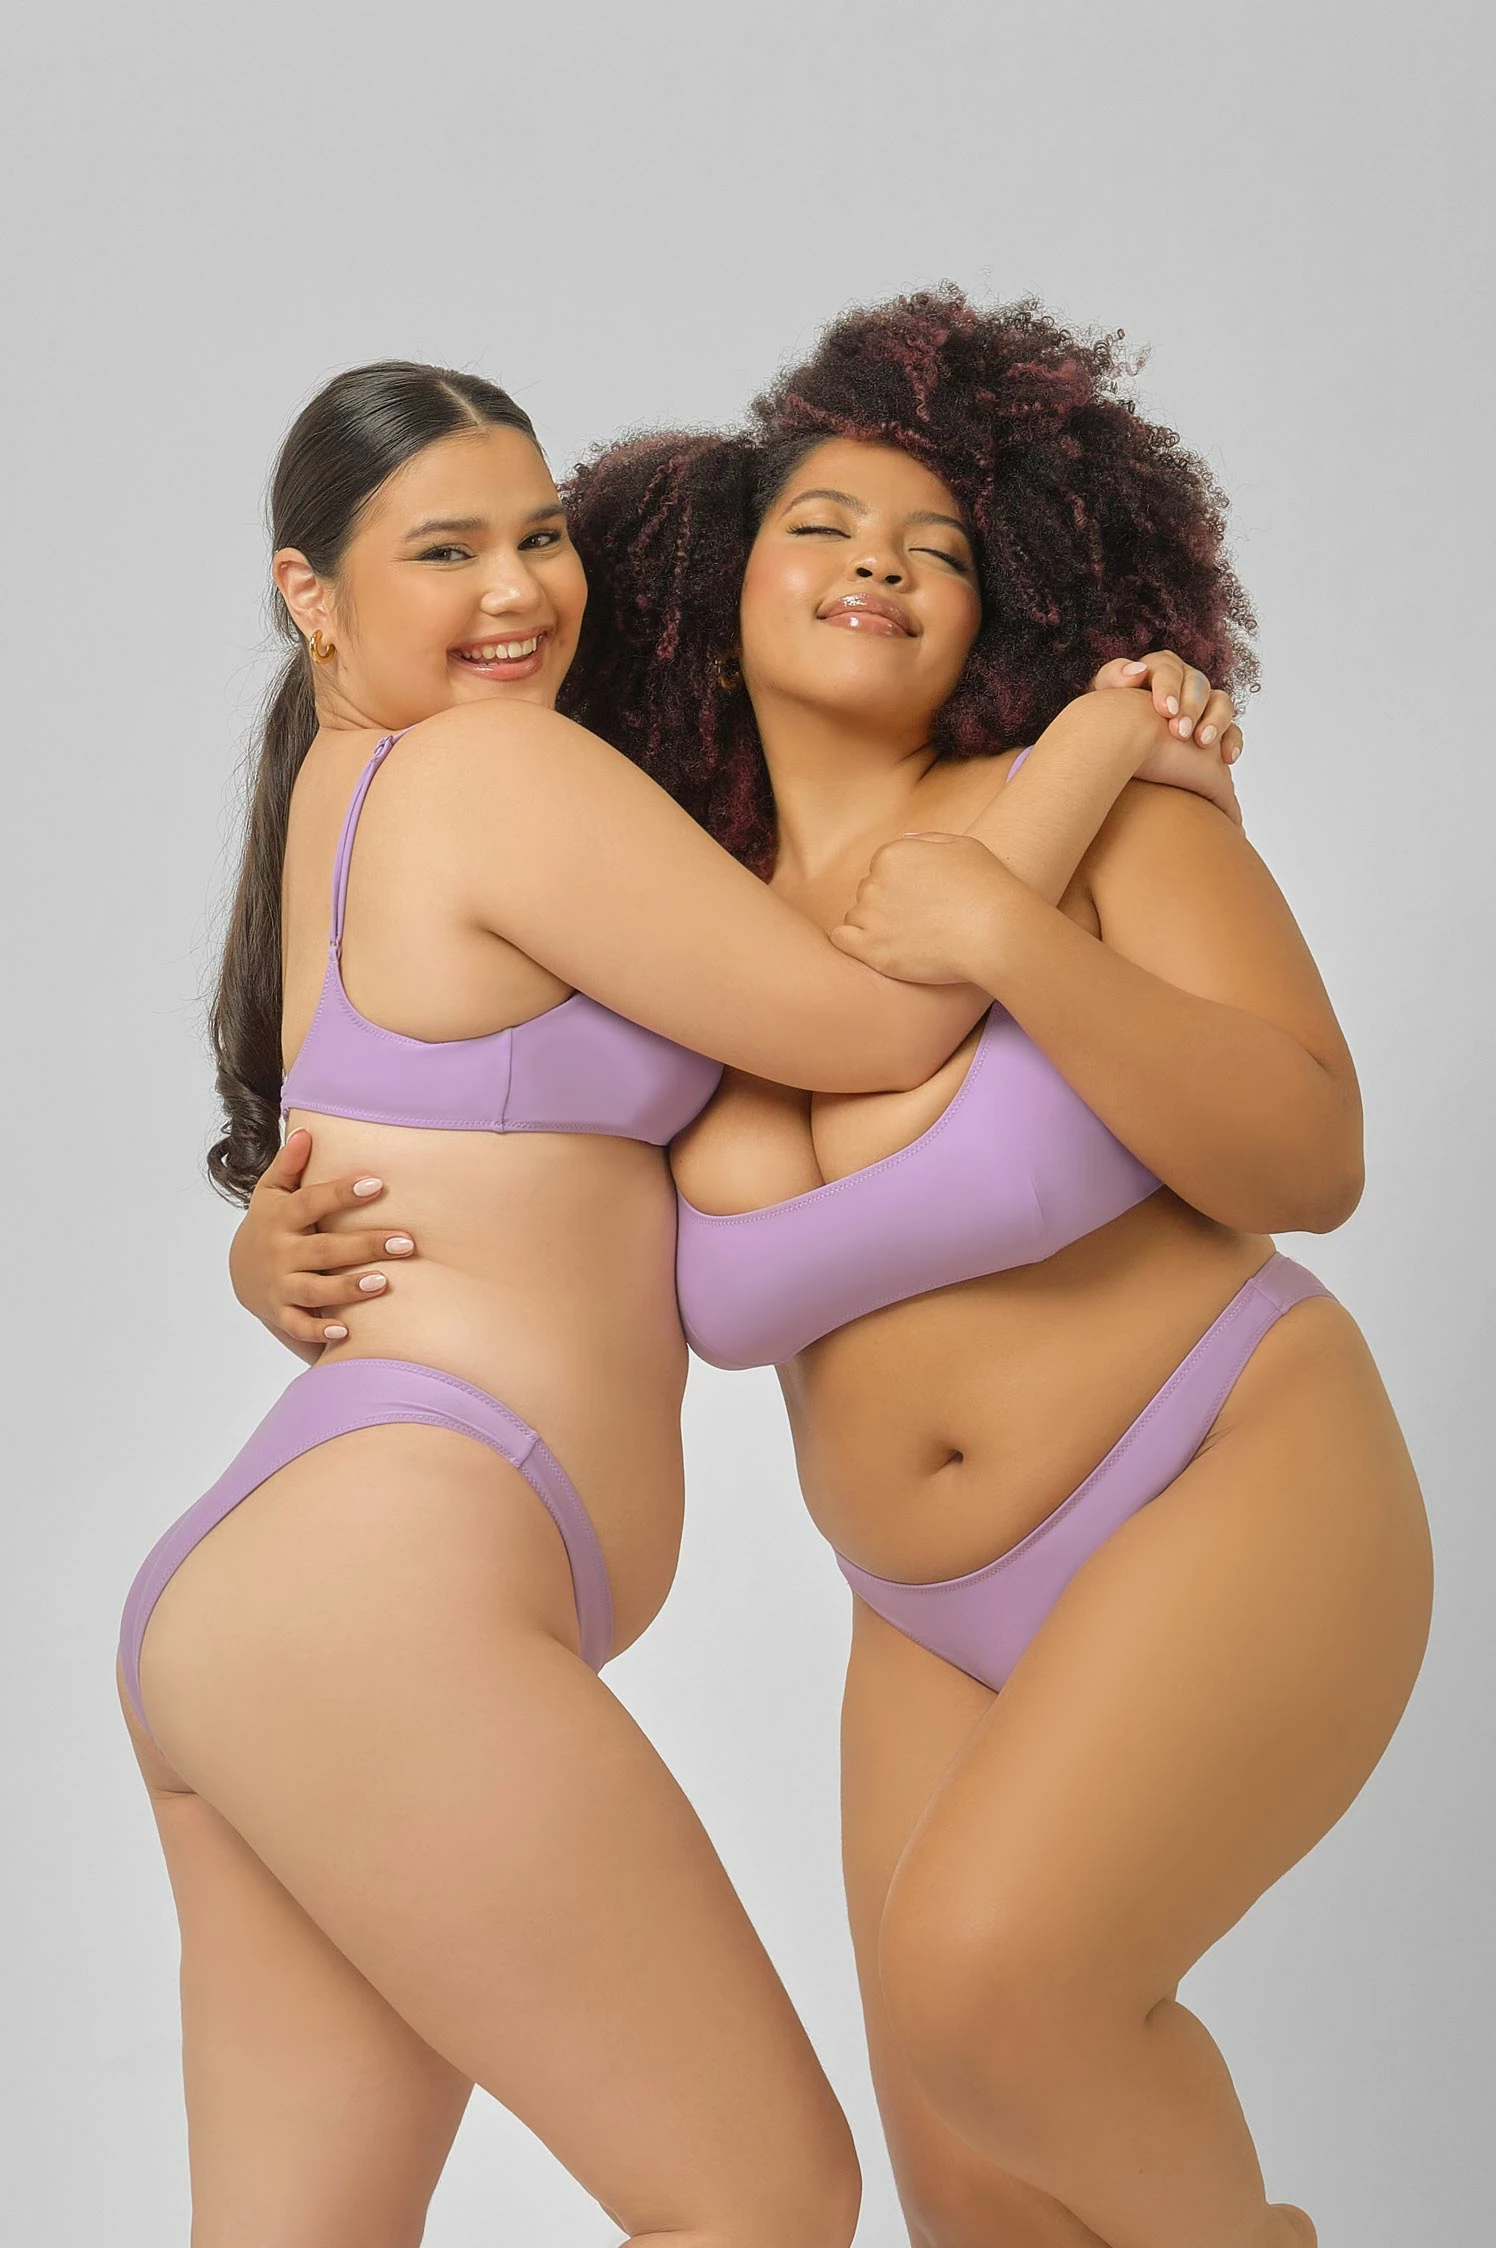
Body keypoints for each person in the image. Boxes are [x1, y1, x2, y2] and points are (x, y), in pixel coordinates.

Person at [250, 293, 1431, 2248]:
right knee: (974, 2187)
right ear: (719, 586)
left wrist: (1021, 923)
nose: (876, 562)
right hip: (923, 1610)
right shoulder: (674, 939)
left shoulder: (1108, 804)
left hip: (1228, 1458)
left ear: (1001, 606)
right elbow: (478, 1135)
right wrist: (269, 1238)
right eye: (820, 524)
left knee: (992, 1989)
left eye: (935, 546)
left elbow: (1315, 1154)